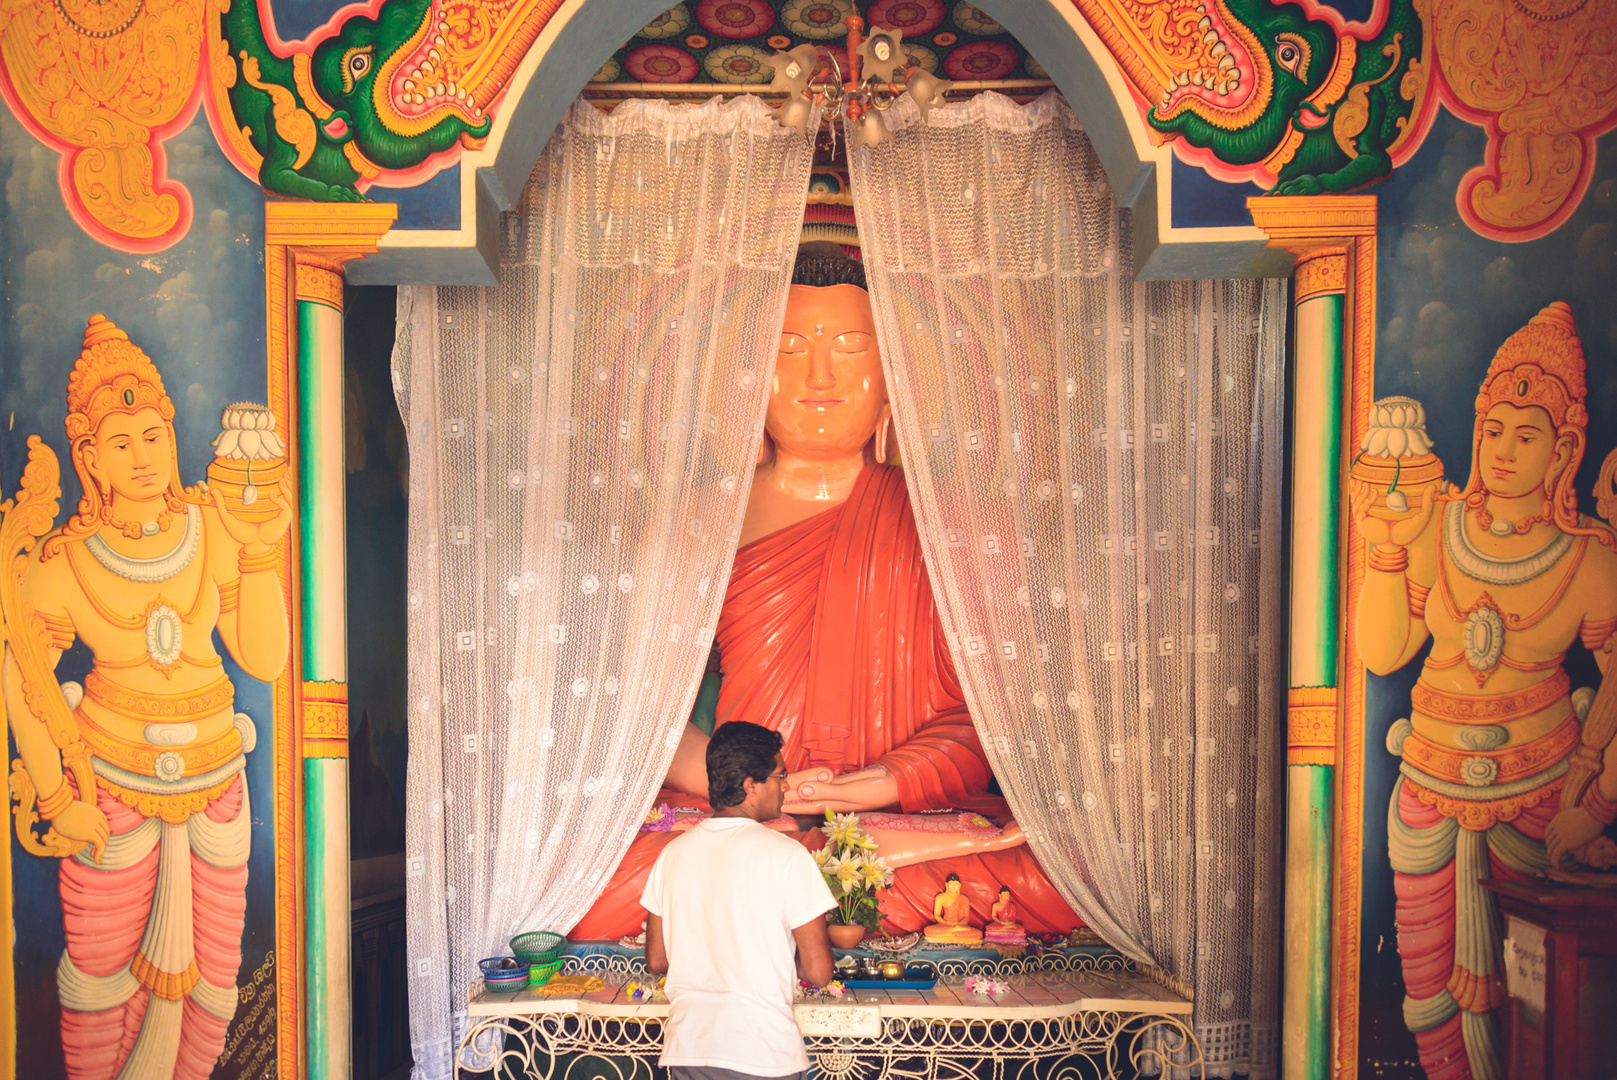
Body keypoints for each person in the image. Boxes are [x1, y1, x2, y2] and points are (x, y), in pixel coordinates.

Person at [572, 246, 1080, 940]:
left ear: (893, 377)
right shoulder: (694, 523)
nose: (818, 376)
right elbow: (645, 722)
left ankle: (794, 890)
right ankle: (817, 888)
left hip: (898, 817)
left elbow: (990, 723)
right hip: (738, 812)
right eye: (787, 350)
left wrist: (879, 782)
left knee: (1062, 872)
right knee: (590, 873)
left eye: (848, 349)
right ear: (748, 381)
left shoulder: (962, 525)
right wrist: (745, 793)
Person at [1, 315, 292, 1080]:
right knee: (99, 982)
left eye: (153, 436)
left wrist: (261, 549)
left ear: (171, 433)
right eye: (120, 443)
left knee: (214, 983)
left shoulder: (212, 527)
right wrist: (61, 799)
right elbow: (22, 677)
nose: (142, 457)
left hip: (217, 790)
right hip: (111, 791)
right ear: (87, 456)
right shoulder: (65, 562)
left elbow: (264, 659)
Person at [1352, 302, 1617, 1079]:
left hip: (1540, 792)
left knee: (1530, 998)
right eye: (1493, 429)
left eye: (1525, 434)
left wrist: (1592, 804)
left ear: (1563, 446)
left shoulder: (1585, 560)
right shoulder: (1441, 525)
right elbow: (1382, 652)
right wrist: (1387, 554)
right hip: (1427, 783)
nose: (1502, 450)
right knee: (1426, 992)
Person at [643, 721, 836, 1080]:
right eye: (780, 775)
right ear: (750, 786)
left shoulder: (672, 854)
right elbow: (819, 972)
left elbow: (657, 960)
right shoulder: (787, 856)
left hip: (689, 1049)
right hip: (761, 1051)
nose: (787, 785)